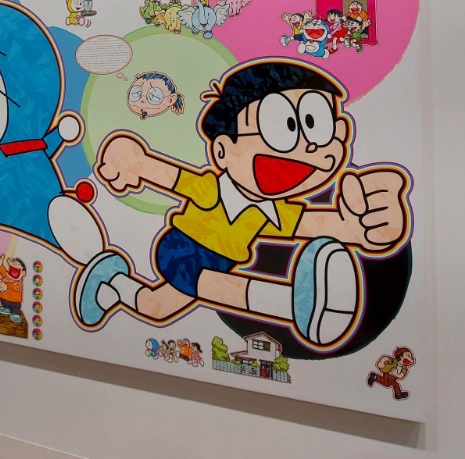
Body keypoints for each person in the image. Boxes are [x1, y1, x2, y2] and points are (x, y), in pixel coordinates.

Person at [76, 60, 411, 348]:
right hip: (182, 252)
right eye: (284, 127)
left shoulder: (275, 212)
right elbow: (170, 176)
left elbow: (319, 224)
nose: (308, 148)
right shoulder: (213, 191)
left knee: (154, 306)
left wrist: (367, 226)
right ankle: (295, 304)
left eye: (317, 126)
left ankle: (112, 283)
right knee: (219, 290)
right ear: (222, 150)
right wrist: (133, 160)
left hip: (221, 261)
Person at [0, 253, 26, 323]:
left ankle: (15, 314)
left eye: (17, 265)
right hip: (5, 300)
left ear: (23, 273)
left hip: (15, 302)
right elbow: (3, 272)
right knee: (4, 303)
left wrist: (7, 287)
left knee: (15, 309)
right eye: (13, 265)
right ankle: (6, 308)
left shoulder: (18, 282)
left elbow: (16, 288)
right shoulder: (7, 277)